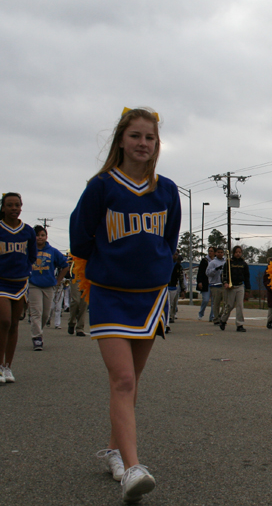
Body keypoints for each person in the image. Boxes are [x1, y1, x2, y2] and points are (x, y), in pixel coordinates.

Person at [69, 107, 181, 502]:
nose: (143, 144)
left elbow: (169, 240)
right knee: (123, 380)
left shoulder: (166, 189)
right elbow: (80, 239)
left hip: (150, 297)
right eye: (135, 136)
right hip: (110, 294)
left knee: (131, 383)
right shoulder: (101, 187)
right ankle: (133, 469)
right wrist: (110, 264)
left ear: (157, 144)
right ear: (121, 140)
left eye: (149, 138)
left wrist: (157, 268)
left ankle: (116, 452)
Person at [0, 193, 37, 383]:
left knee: (14, 323)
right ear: (2, 208)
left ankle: (8, 367)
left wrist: (23, 269)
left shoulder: (28, 231)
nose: (13, 208)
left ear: (21, 207)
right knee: (4, 320)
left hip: (20, 283)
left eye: (17, 205)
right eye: (9, 205)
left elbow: (32, 256)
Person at [28, 226, 68, 350]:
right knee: (36, 312)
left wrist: (58, 280)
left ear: (46, 236)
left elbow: (65, 266)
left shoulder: (53, 251)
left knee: (46, 314)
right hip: (33, 285)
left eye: (42, 235)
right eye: (37, 235)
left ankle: (38, 330)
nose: (40, 237)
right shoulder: (29, 250)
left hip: (49, 285)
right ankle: (37, 337)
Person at [218, 246, 250, 332]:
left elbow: (247, 277)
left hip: (240, 286)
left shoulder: (244, 264)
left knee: (240, 306)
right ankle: (223, 320)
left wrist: (247, 289)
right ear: (233, 253)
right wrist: (225, 282)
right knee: (229, 305)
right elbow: (224, 274)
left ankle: (239, 324)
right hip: (231, 288)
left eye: (239, 252)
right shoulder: (229, 263)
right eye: (236, 252)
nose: (238, 254)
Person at [165, 250, 184, 333]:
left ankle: (166, 322)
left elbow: (181, 278)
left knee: (170, 305)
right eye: (174, 254)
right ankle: (166, 325)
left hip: (173, 288)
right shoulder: (165, 263)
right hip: (165, 287)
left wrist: (183, 289)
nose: (175, 256)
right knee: (167, 305)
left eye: (176, 255)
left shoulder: (178, 266)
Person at [208, 247, 226, 325]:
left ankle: (220, 316)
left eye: (221, 252)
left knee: (226, 303)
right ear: (216, 253)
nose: (220, 254)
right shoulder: (212, 262)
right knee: (216, 303)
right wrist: (215, 269)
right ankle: (216, 319)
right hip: (215, 285)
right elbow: (208, 273)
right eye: (218, 252)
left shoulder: (226, 262)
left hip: (224, 285)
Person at [196, 247, 215, 320]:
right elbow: (200, 272)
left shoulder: (216, 261)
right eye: (209, 251)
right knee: (206, 300)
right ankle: (201, 313)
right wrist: (199, 282)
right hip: (205, 283)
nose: (210, 252)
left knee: (214, 302)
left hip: (214, 283)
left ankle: (212, 316)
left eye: (211, 251)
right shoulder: (204, 261)